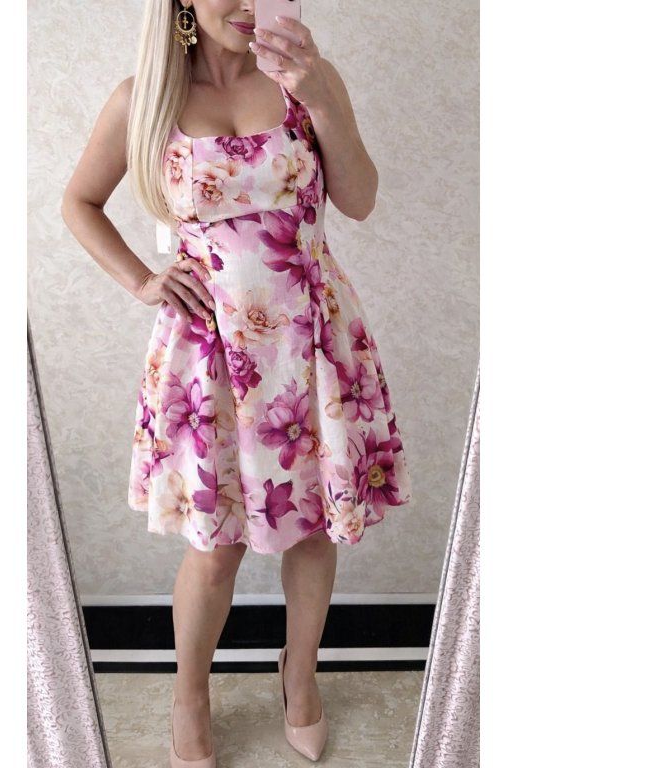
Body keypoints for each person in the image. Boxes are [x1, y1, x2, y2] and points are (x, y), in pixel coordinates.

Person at [61, 1, 412, 764]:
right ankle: (189, 695)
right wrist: (142, 280)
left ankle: (300, 676)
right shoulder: (144, 98)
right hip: (211, 355)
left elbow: (359, 200)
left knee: (313, 527)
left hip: (313, 343)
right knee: (214, 546)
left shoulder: (307, 80)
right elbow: (78, 203)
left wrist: (319, 96)